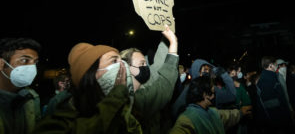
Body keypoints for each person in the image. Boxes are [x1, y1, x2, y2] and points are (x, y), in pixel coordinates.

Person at [33, 25, 178, 134]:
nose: (122, 66)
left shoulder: (134, 102)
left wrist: (172, 45)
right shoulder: (62, 119)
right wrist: (116, 98)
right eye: (114, 61)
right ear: (92, 73)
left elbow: (163, 87)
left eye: (121, 61)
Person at [119, 24, 179, 134]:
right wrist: (173, 45)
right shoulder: (128, 101)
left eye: (146, 63)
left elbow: (159, 63)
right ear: (126, 67)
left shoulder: (147, 83)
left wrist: (166, 35)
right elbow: (164, 85)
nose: (146, 67)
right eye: (142, 64)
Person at [170, 76, 246, 134]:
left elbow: (228, 116)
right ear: (205, 94)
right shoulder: (186, 120)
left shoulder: (212, 111)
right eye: (213, 92)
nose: (214, 95)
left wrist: (241, 112)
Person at [0, 37, 42, 134]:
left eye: (35, 62)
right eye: (24, 60)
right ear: (1, 64)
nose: (32, 68)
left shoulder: (32, 98)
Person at [256, 56, 293, 134]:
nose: (276, 66)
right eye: (275, 64)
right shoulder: (273, 79)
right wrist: (288, 119)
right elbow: (281, 100)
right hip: (280, 121)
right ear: (270, 65)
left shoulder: (260, 81)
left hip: (270, 122)